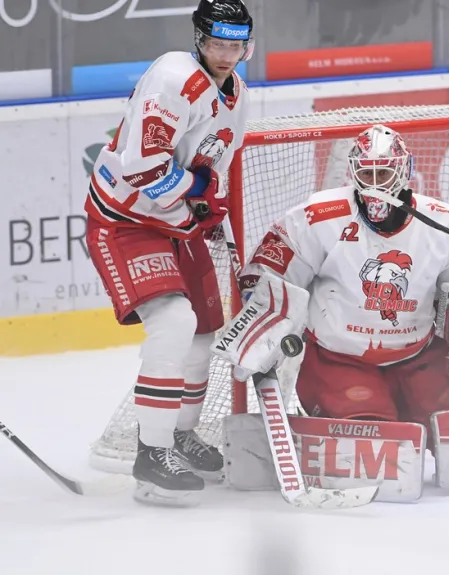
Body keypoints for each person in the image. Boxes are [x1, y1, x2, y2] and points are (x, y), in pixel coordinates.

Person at [214, 124, 449, 499]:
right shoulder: (318, 216)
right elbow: (267, 273)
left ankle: (412, 409)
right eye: (367, 173)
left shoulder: (447, 224)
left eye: (384, 173)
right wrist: (261, 316)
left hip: (420, 355)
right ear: (353, 172)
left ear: (405, 170)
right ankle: (358, 419)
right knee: (369, 435)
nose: (375, 184)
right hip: (338, 360)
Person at [83, 0, 254, 506]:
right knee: (175, 321)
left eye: (236, 45)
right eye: (217, 44)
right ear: (198, 38)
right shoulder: (173, 79)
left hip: (175, 224)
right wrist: (199, 189)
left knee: (204, 328)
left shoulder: (238, 91)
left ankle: (179, 435)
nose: (227, 55)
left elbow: (218, 159)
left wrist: (210, 199)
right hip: (125, 221)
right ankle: (151, 451)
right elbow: (142, 169)